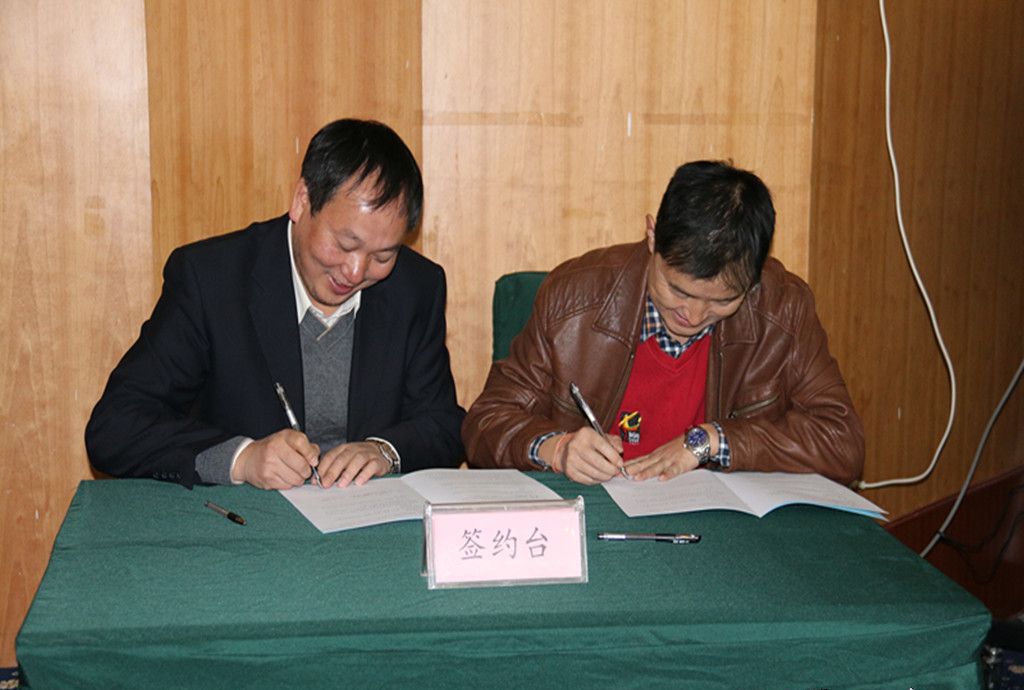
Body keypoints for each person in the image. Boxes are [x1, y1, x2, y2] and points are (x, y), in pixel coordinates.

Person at [87, 118, 465, 490]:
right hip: (242, 520)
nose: (355, 271)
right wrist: (241, 459)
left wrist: (385, 451)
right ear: (302, 201)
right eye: (345, 245)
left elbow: (445, 426)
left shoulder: (416, 287)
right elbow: (116, 426)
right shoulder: (212, 279)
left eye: (382, 256)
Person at [462, 160, 864, 486]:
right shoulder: (573, 298)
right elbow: (485, 424)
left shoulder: (783, 308)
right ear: (652, 236)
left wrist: (713, 440)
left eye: (723, 301)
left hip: (721, 529)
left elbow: (843, 444)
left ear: (754, 278)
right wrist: (558, 448)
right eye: (678, 290)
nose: (694, 316)